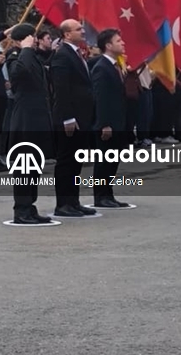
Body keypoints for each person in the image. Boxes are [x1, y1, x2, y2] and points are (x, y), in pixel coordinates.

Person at [5, 24, 54, 224]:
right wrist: (24, 49)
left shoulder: (32, 56)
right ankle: (21, 209)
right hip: (25, 118)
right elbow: (19, 74)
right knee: (24, 166)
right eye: (32, 37)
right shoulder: (15, 57)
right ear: (21, 39)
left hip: (37, 117)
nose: (35, 40)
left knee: (34, 166)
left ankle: (30, 206)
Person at [49, 19, 98, 217]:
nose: (83, 31)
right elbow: (61, 89)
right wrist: (67, 117)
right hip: (70, 118)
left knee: (76, 162)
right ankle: (63, 204)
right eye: (78, 29)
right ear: (67, 34)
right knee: (66, 162)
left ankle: (74, 201)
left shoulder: (77, 54)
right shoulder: (63, 55)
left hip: (82, 116)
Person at [90, 28, 133, 208]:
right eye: (118, 41)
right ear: (108, 46)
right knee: (104, 161)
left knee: (112, 160)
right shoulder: (102, 67)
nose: (122, 43)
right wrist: (104, 124)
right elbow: (101, 98)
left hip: (118, 121)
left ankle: (109, 194)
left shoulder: (115, 65)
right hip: (108, 124)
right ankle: (100, 196)